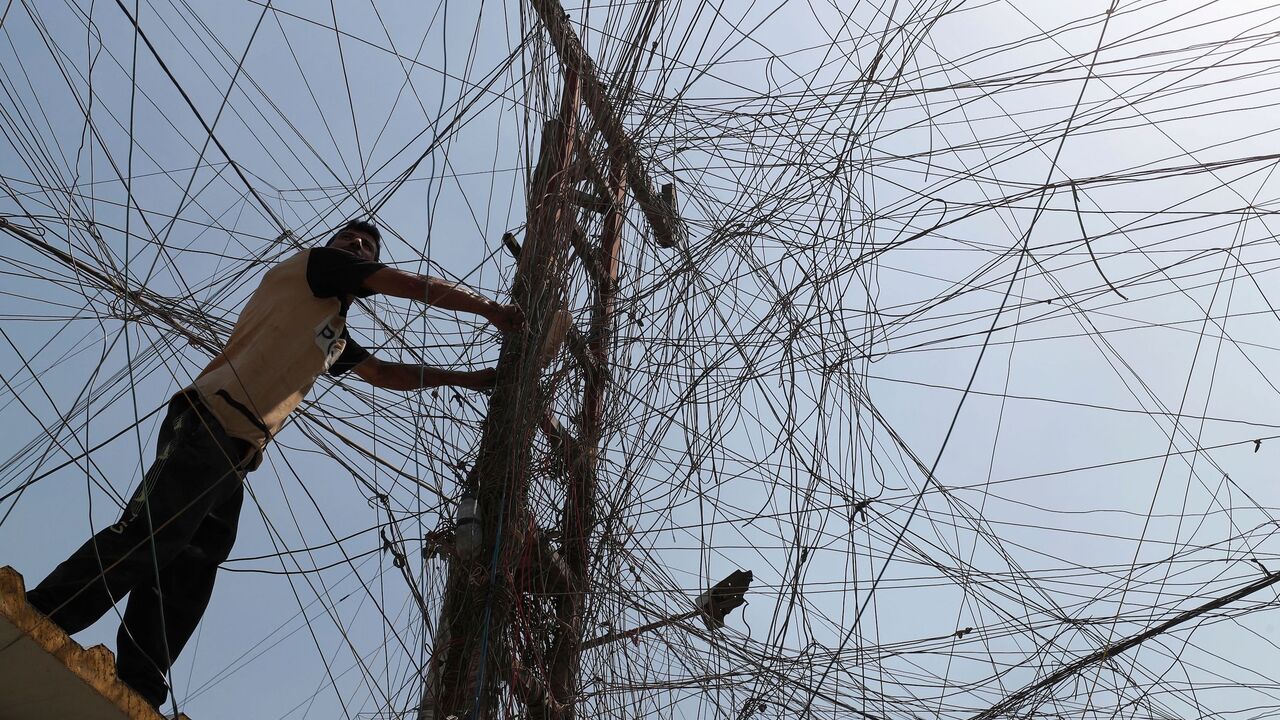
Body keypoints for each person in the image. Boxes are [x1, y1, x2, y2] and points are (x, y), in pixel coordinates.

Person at [25, 220, 520, 708]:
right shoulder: (317, 268)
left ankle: (140, 682)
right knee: (154, 533)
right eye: (350, 239)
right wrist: (492, 311)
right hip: (208, 418)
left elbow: (383, 374)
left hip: (236, 456)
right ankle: (45, 613)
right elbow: (411, 285)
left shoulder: (332, 332)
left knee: (190, 569)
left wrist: (464, 378)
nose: (357, 245)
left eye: (366, 244)